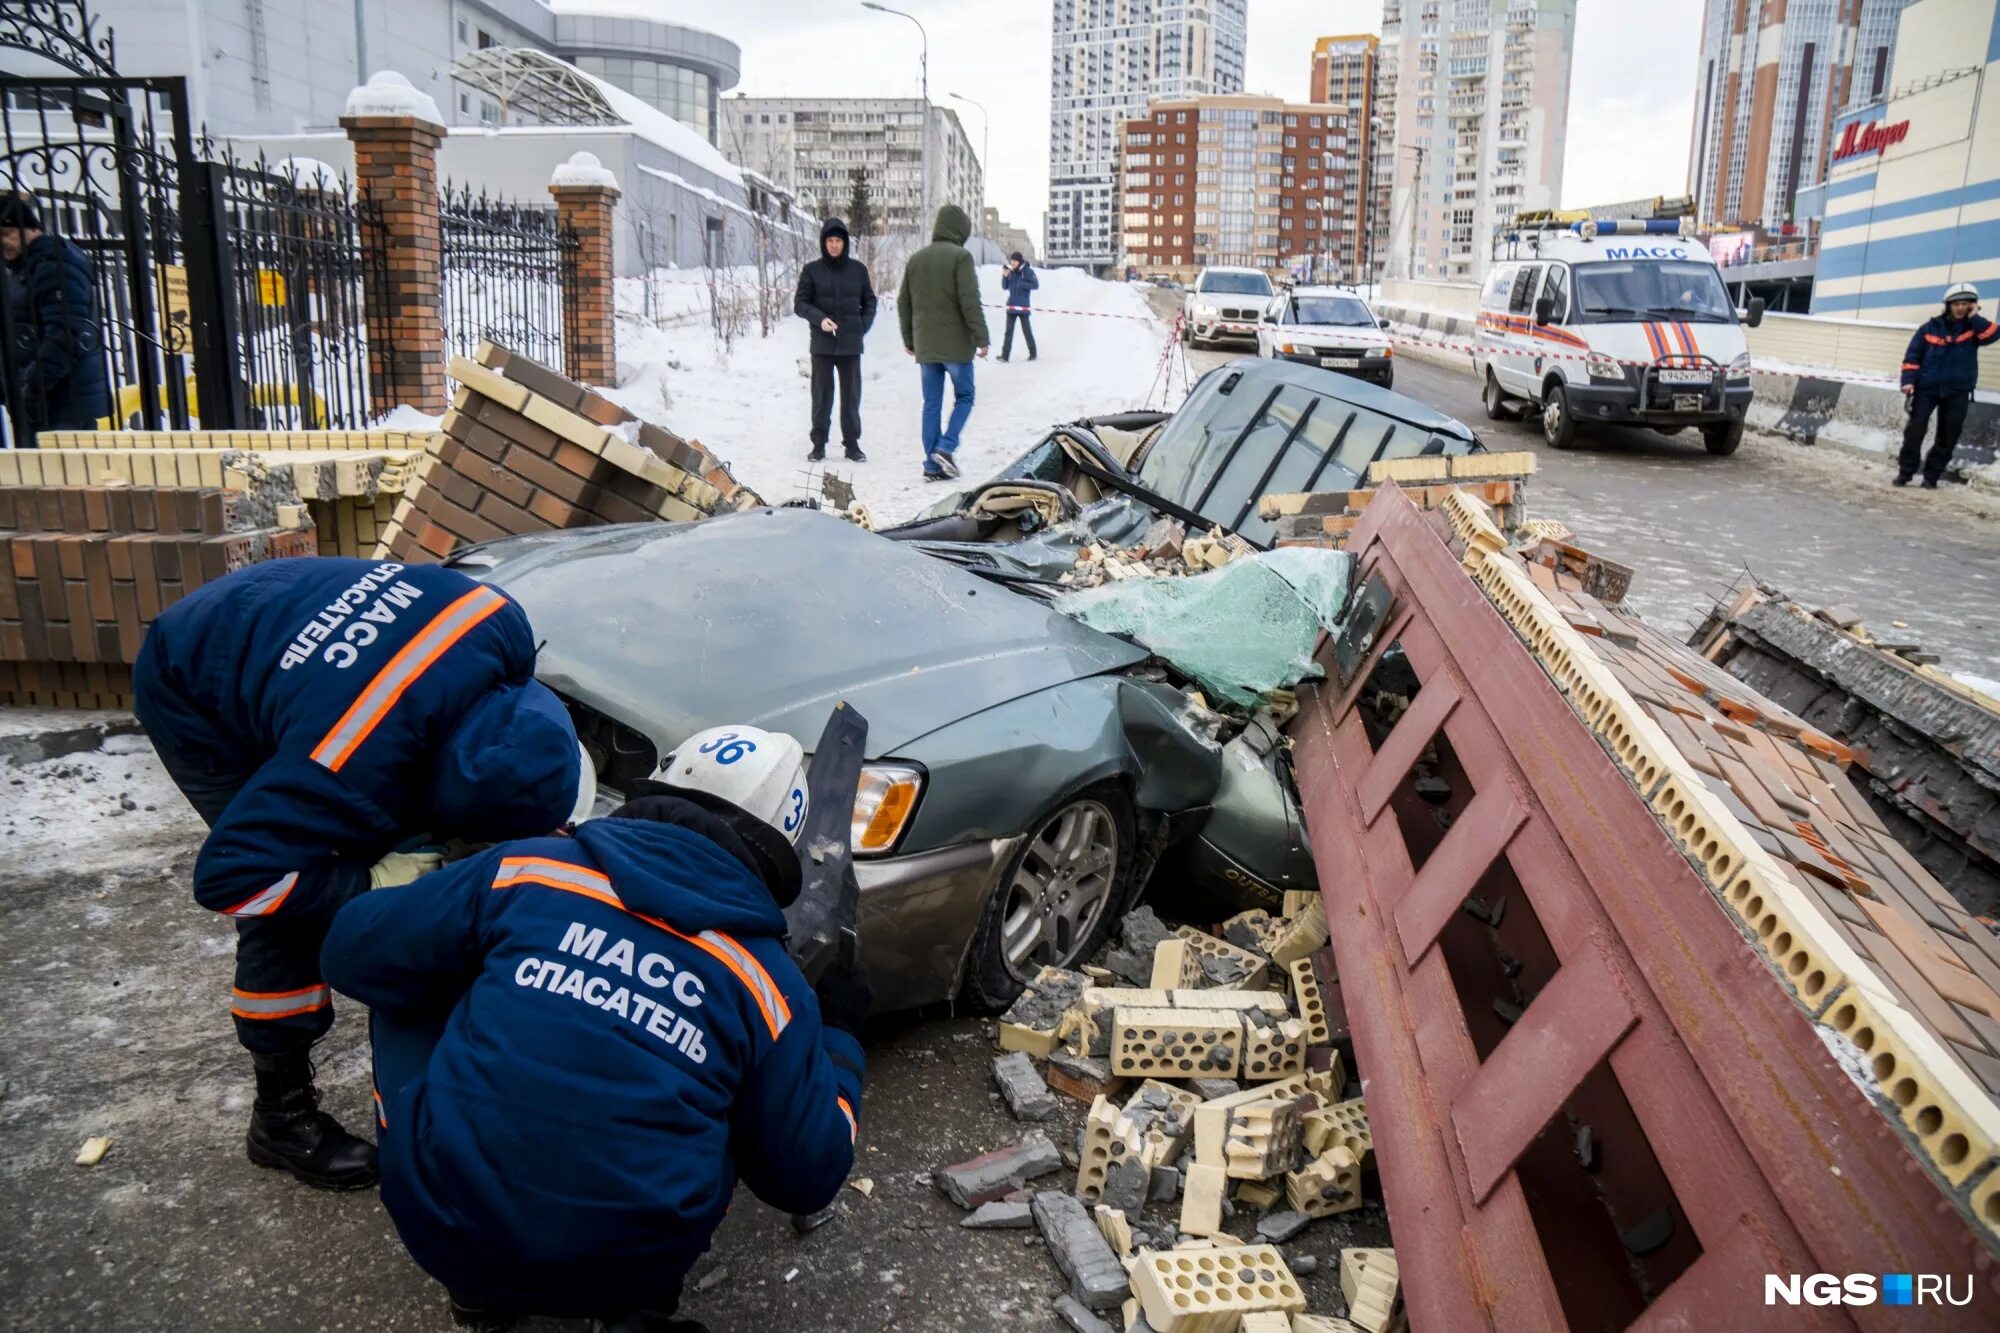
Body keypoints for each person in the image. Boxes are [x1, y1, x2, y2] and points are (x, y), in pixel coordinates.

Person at [321, 723, 871, 1333]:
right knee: (733, 1097)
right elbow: (808, 1175)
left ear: (657, 786)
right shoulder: (769, 986)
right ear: (779, 852)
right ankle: (640, 1308)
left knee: (405, 974)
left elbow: (352, 950)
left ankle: (478, 1294)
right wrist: (838, 1038)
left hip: (442, 1224)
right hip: (629, 1266)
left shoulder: (529, 871)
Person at [132, 556, 585, 1192]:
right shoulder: (343, 763)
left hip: (292, 614)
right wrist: (370, 882)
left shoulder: (503, 625)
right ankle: (281, 1116)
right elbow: (235, 877)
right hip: (197, 673)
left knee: (380, 834)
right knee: (289, 890)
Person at [1, 194, 110, 443]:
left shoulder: (54, 264)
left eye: (7, 232)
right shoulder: (23, 267)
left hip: (63, 398)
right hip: (41, 399)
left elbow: (66, 332)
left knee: (65, 475)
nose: (3, 242)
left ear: (31, 227)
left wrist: (33, 384)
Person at [898, 203, 990, 481]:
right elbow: (969, 301)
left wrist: (910, 339)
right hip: (956, 348)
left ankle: (931, 464)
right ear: (961, 230)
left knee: (932, 404)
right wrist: (981, 337)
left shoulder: (916, 259)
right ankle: (946, 448)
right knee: (965, 396)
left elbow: (905, 302)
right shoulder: (960, 257)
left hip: (926, 347)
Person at [1897, 282, 1999, 488]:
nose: (1960, 308)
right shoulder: (1928, 329)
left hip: (1957, 391)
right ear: (1948, 305)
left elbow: (1992, 335)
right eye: (1957, 304)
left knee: (1948, 436)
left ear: (1972, 306)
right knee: (1914, 432)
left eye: (1966, 304)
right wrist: (1908, 382)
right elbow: (1912, 357)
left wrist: (1975, 318)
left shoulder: (1974, 328)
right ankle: (1906, 472)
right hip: (1926, 389)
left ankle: (1931, 477)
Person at [793, 216, 877, 463]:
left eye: (838, 240)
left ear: (844, 243)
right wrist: (819, 319)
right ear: (823, 242)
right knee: (821, 396)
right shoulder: (811, 270)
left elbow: (870, 301)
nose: (833, 245)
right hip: (822, 344)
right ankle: (818, 444)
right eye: (829, 240)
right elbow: (800, 303)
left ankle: (852, 445)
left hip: (851, 344)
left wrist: (863, 325)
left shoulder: (858, 270)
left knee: (851, 397)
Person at [998, 251, 1039, 362]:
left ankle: (1033, 353)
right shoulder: (1011, 272)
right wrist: (1004, 276)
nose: (1013, 262)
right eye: (1012, 260)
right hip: (1011, 306)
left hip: (1023, 307)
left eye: (1015, 260)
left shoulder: (1027, 271)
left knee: (1027, 332)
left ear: (1019, 261)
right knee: (1008, 332)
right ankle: (1005, 356)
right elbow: (1004, 286)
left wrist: (1023, 284)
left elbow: (1035, 285)